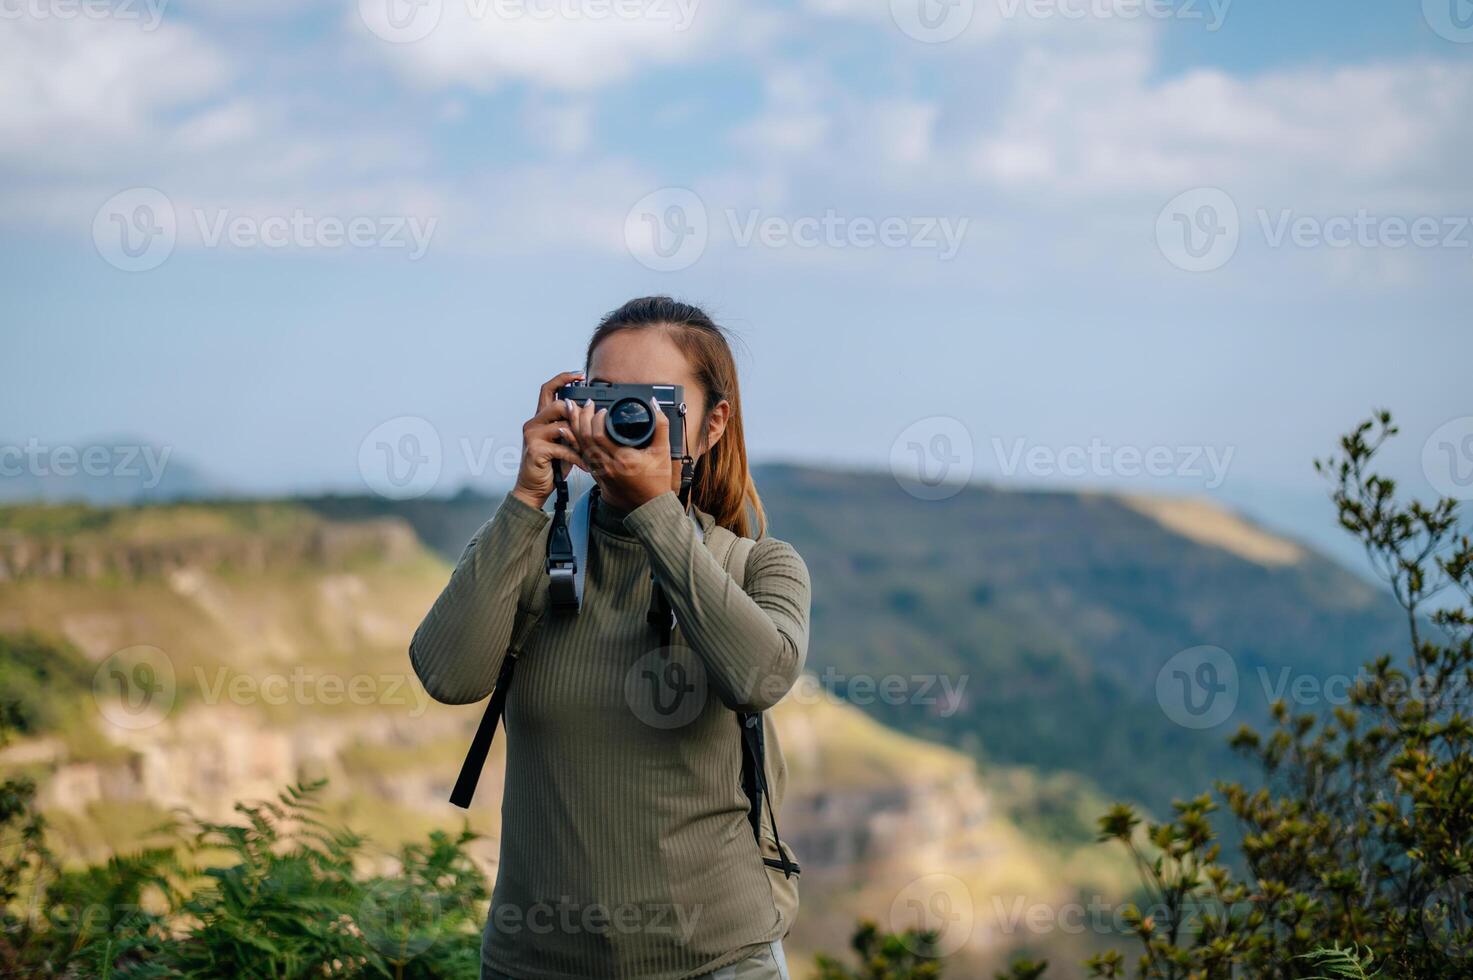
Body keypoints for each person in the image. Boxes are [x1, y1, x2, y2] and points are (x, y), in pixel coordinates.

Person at [410, 296, 811, 980]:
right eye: (604, 396)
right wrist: (526, 499)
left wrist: (655, 512)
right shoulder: (531, 557)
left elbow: (757, 680)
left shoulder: (758, 567)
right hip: (535, 964)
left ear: (712, 424)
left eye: (651, 400)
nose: (622, 420)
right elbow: (448, 676)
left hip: (714, 961)